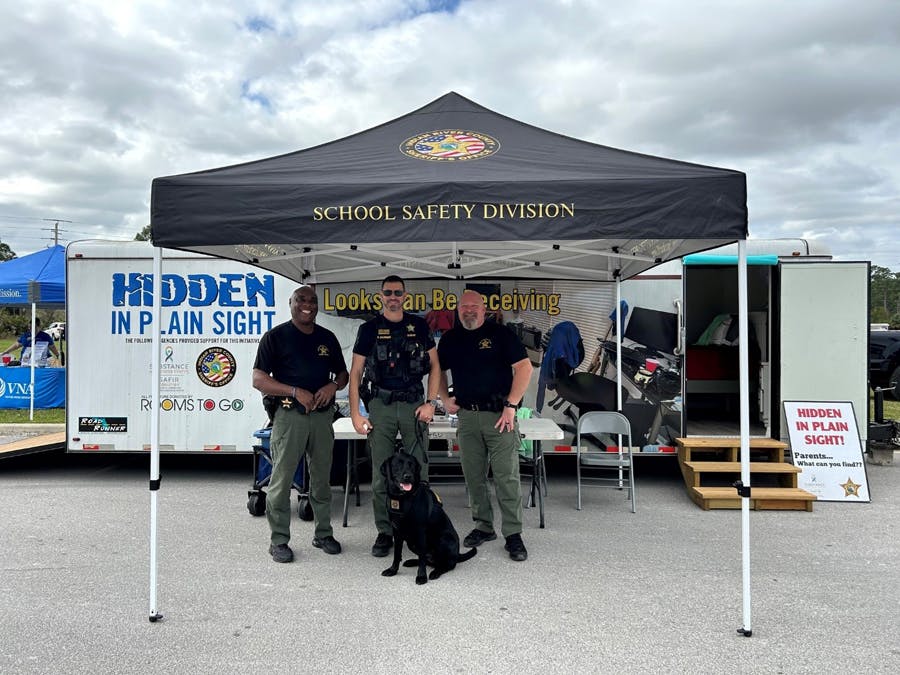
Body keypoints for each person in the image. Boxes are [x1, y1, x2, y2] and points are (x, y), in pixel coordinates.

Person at [252, 285, 349, 563]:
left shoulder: (327, 338)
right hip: (289, 415)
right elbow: (258, 380)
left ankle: (323, 533)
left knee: (321, 478)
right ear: (291, 303)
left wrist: (332, 386)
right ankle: (279, 540)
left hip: (321, 417)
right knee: (281, 480)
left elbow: (342, 374)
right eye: (301, 300)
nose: (307, 304)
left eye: (312, 301)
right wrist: (295, 391)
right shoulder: (276, 337)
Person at [349, 275, 441, 557]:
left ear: (405, 296)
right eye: (388, 292)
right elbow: (355, 373)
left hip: (414, 404)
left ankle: (421, 528)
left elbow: (436, 366)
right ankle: (385, 532)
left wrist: (431, 403)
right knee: (382, 473)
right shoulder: (369, 329)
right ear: (381, 295)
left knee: (418, 471)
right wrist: (355, 413)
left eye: (397, 292)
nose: (392, 297)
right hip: (381, 405)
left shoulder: (420, 325)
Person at [437, 290, 533, 561]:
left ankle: (513, 534)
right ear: (458, 309)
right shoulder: (450, 339)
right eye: (464, 306)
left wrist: (512, 405)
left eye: (474, 306)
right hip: (467, 417)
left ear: (484, 308)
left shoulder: (501, 335)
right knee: (474, 477)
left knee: (507, 477)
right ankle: (483, 526)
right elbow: (438, 370)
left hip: (499, 417)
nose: (469, 310)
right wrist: (444, 398)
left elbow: (525, 369)